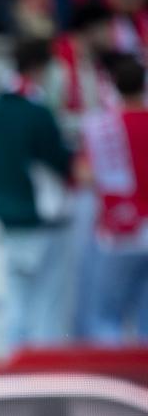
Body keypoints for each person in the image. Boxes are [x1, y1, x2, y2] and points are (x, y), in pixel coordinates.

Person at [0, 38, 74, 348]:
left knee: (17, 303)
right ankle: (42, 378)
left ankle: (16, 372)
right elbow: (61, 160)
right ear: (39, 68)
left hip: (7, 215)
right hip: (40, 216)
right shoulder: (36, 111)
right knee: (46, 306)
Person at [83, 53, 148, 343]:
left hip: (118, 230)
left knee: (107, 316)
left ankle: (112, 381)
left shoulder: (101, 126)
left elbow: (84, 173)